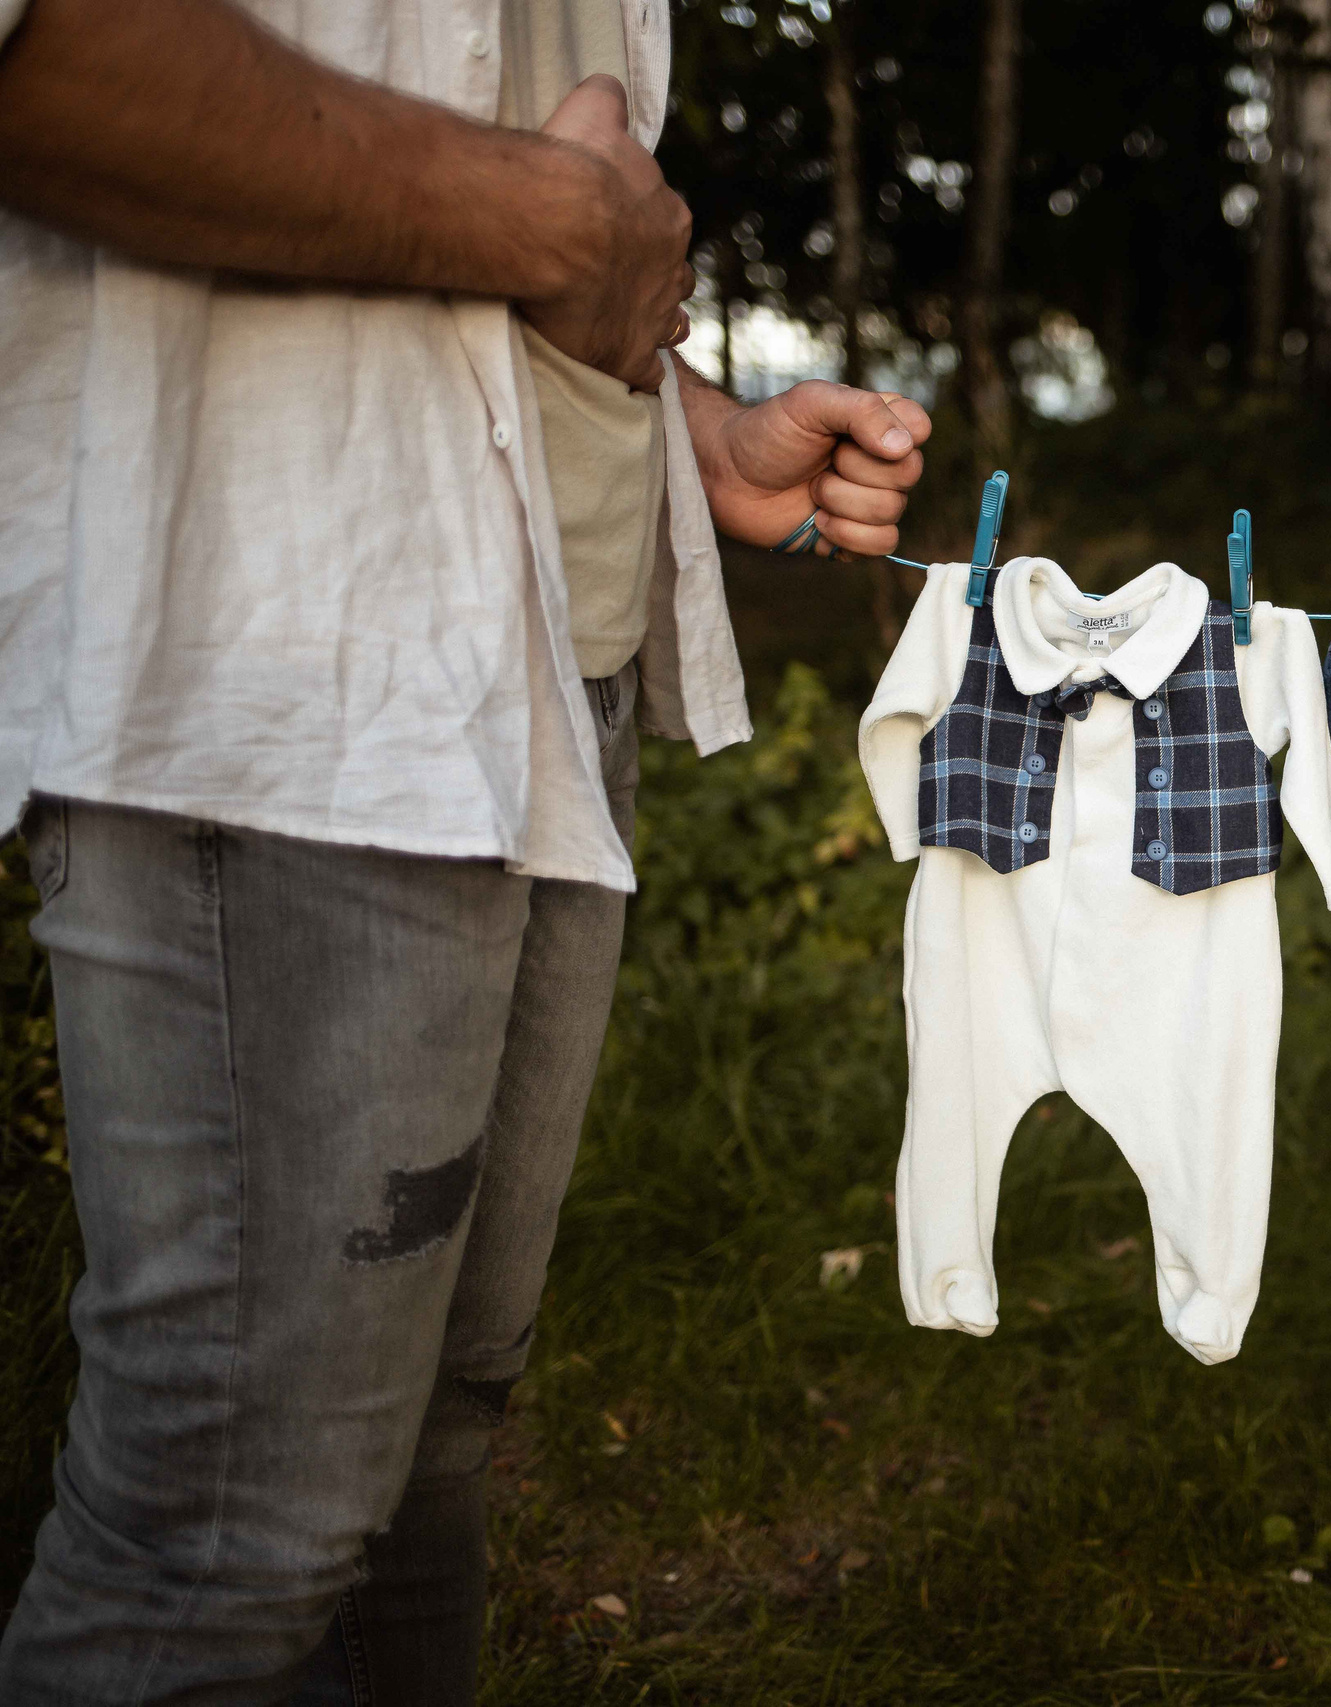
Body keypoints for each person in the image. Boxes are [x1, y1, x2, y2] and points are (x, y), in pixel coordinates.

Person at [0, 0, 930, 1697]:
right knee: (230, 1533)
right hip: (291, 662)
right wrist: (563, 223)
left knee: (430, 1441)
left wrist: (696, 422)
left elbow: (465, 121)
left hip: (542, 662)